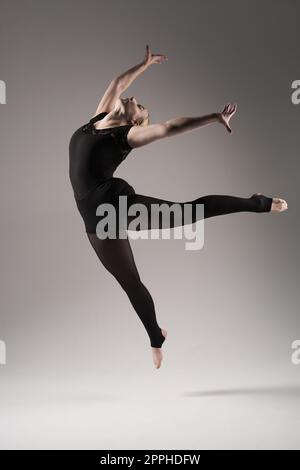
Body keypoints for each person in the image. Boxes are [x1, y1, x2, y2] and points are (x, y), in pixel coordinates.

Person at [69, 45, 288, 369]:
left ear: (136, 121)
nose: (135, 100)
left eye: (140, 106)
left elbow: (170, 127)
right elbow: (118, 83)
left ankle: (256, 203)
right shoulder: (100, 116)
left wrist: (213, 117)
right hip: (95, 219)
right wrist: (144, 65)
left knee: (187, 214)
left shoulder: (126, 136)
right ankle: (156, 337)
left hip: (114, 205)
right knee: (131, 283)